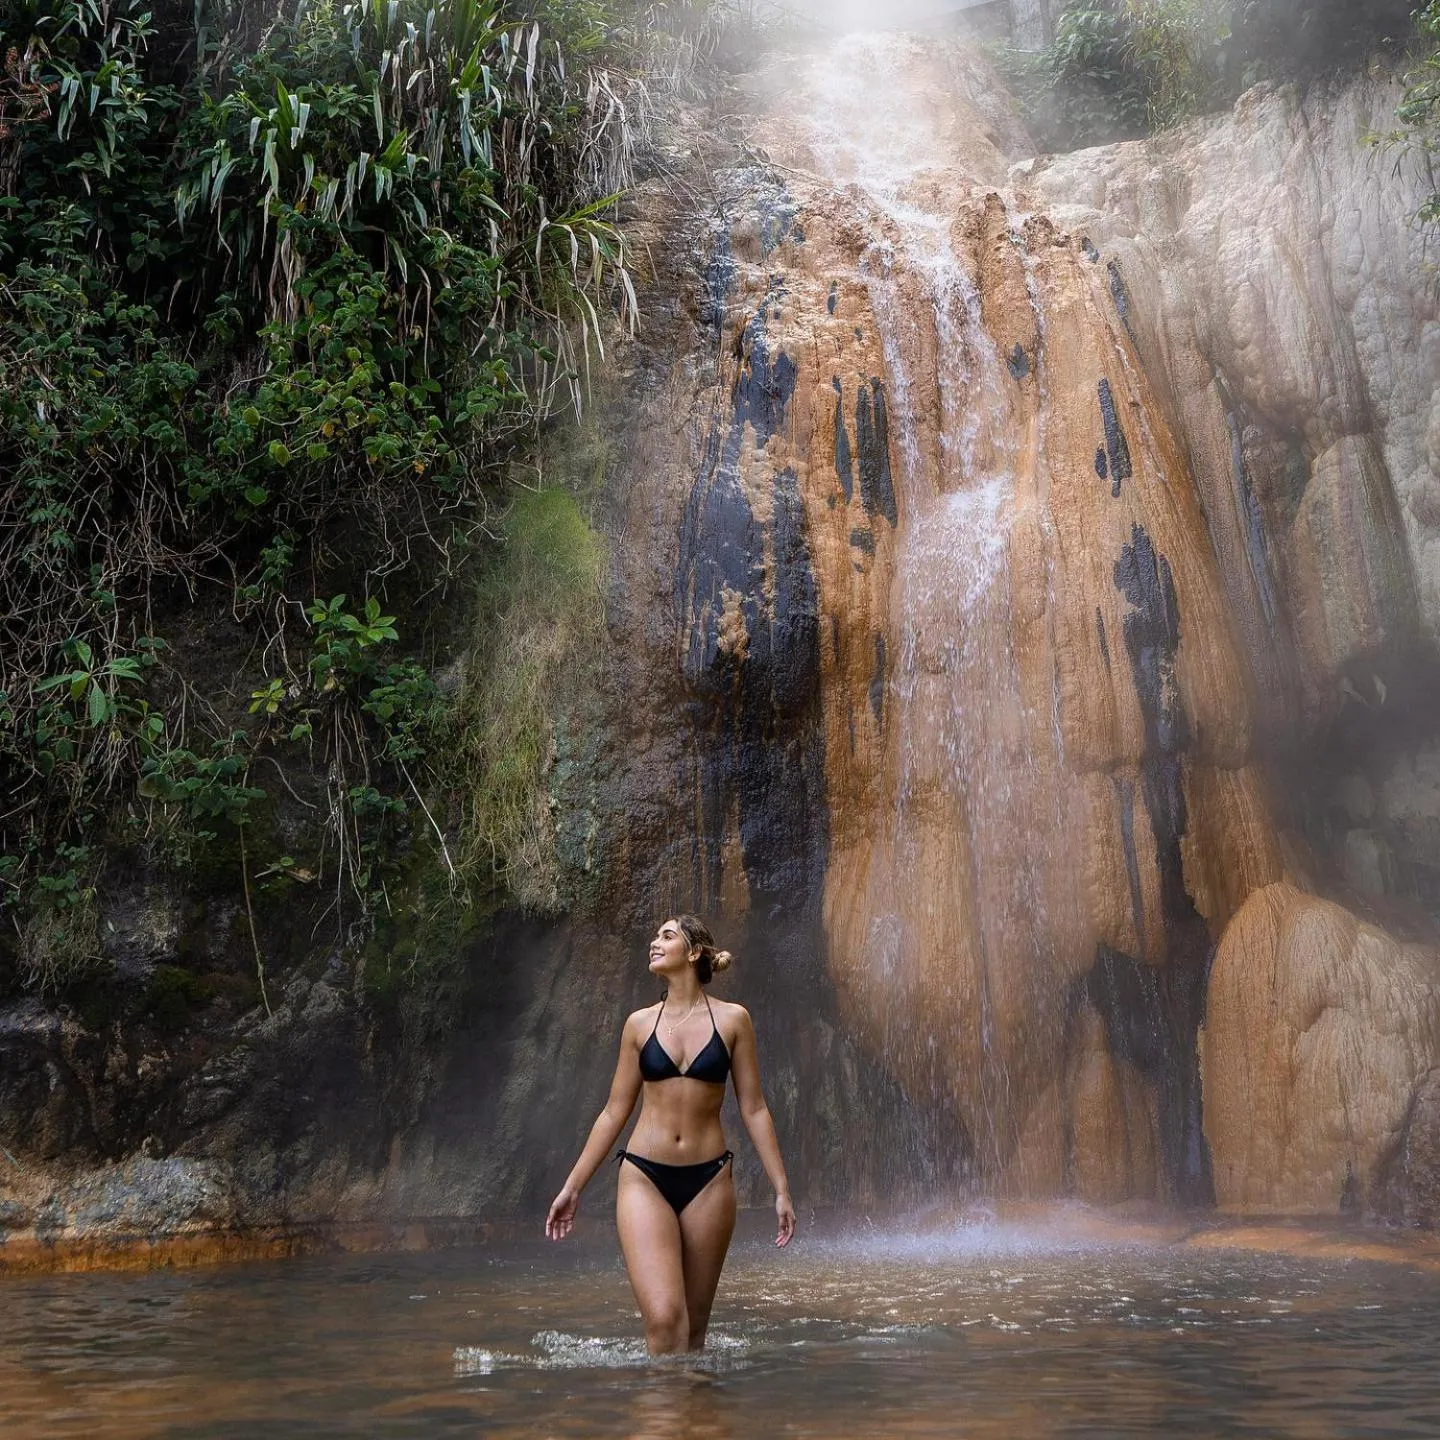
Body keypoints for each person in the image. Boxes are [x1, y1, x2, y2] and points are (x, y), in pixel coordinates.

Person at [545, 914, 797, 1354]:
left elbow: (754, 1108)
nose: (654, 943)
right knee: (665, 1322)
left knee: (694, 1331)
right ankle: (659, 1423)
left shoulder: (734, 1020)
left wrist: (781, 1189)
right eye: (655, 936)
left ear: (693, 952)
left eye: (666, 936)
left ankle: (693, 1421)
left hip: (710, 1180)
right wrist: (573, 1186)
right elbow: (613, 1112)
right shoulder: (639, 1025)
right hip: (645, 1176)